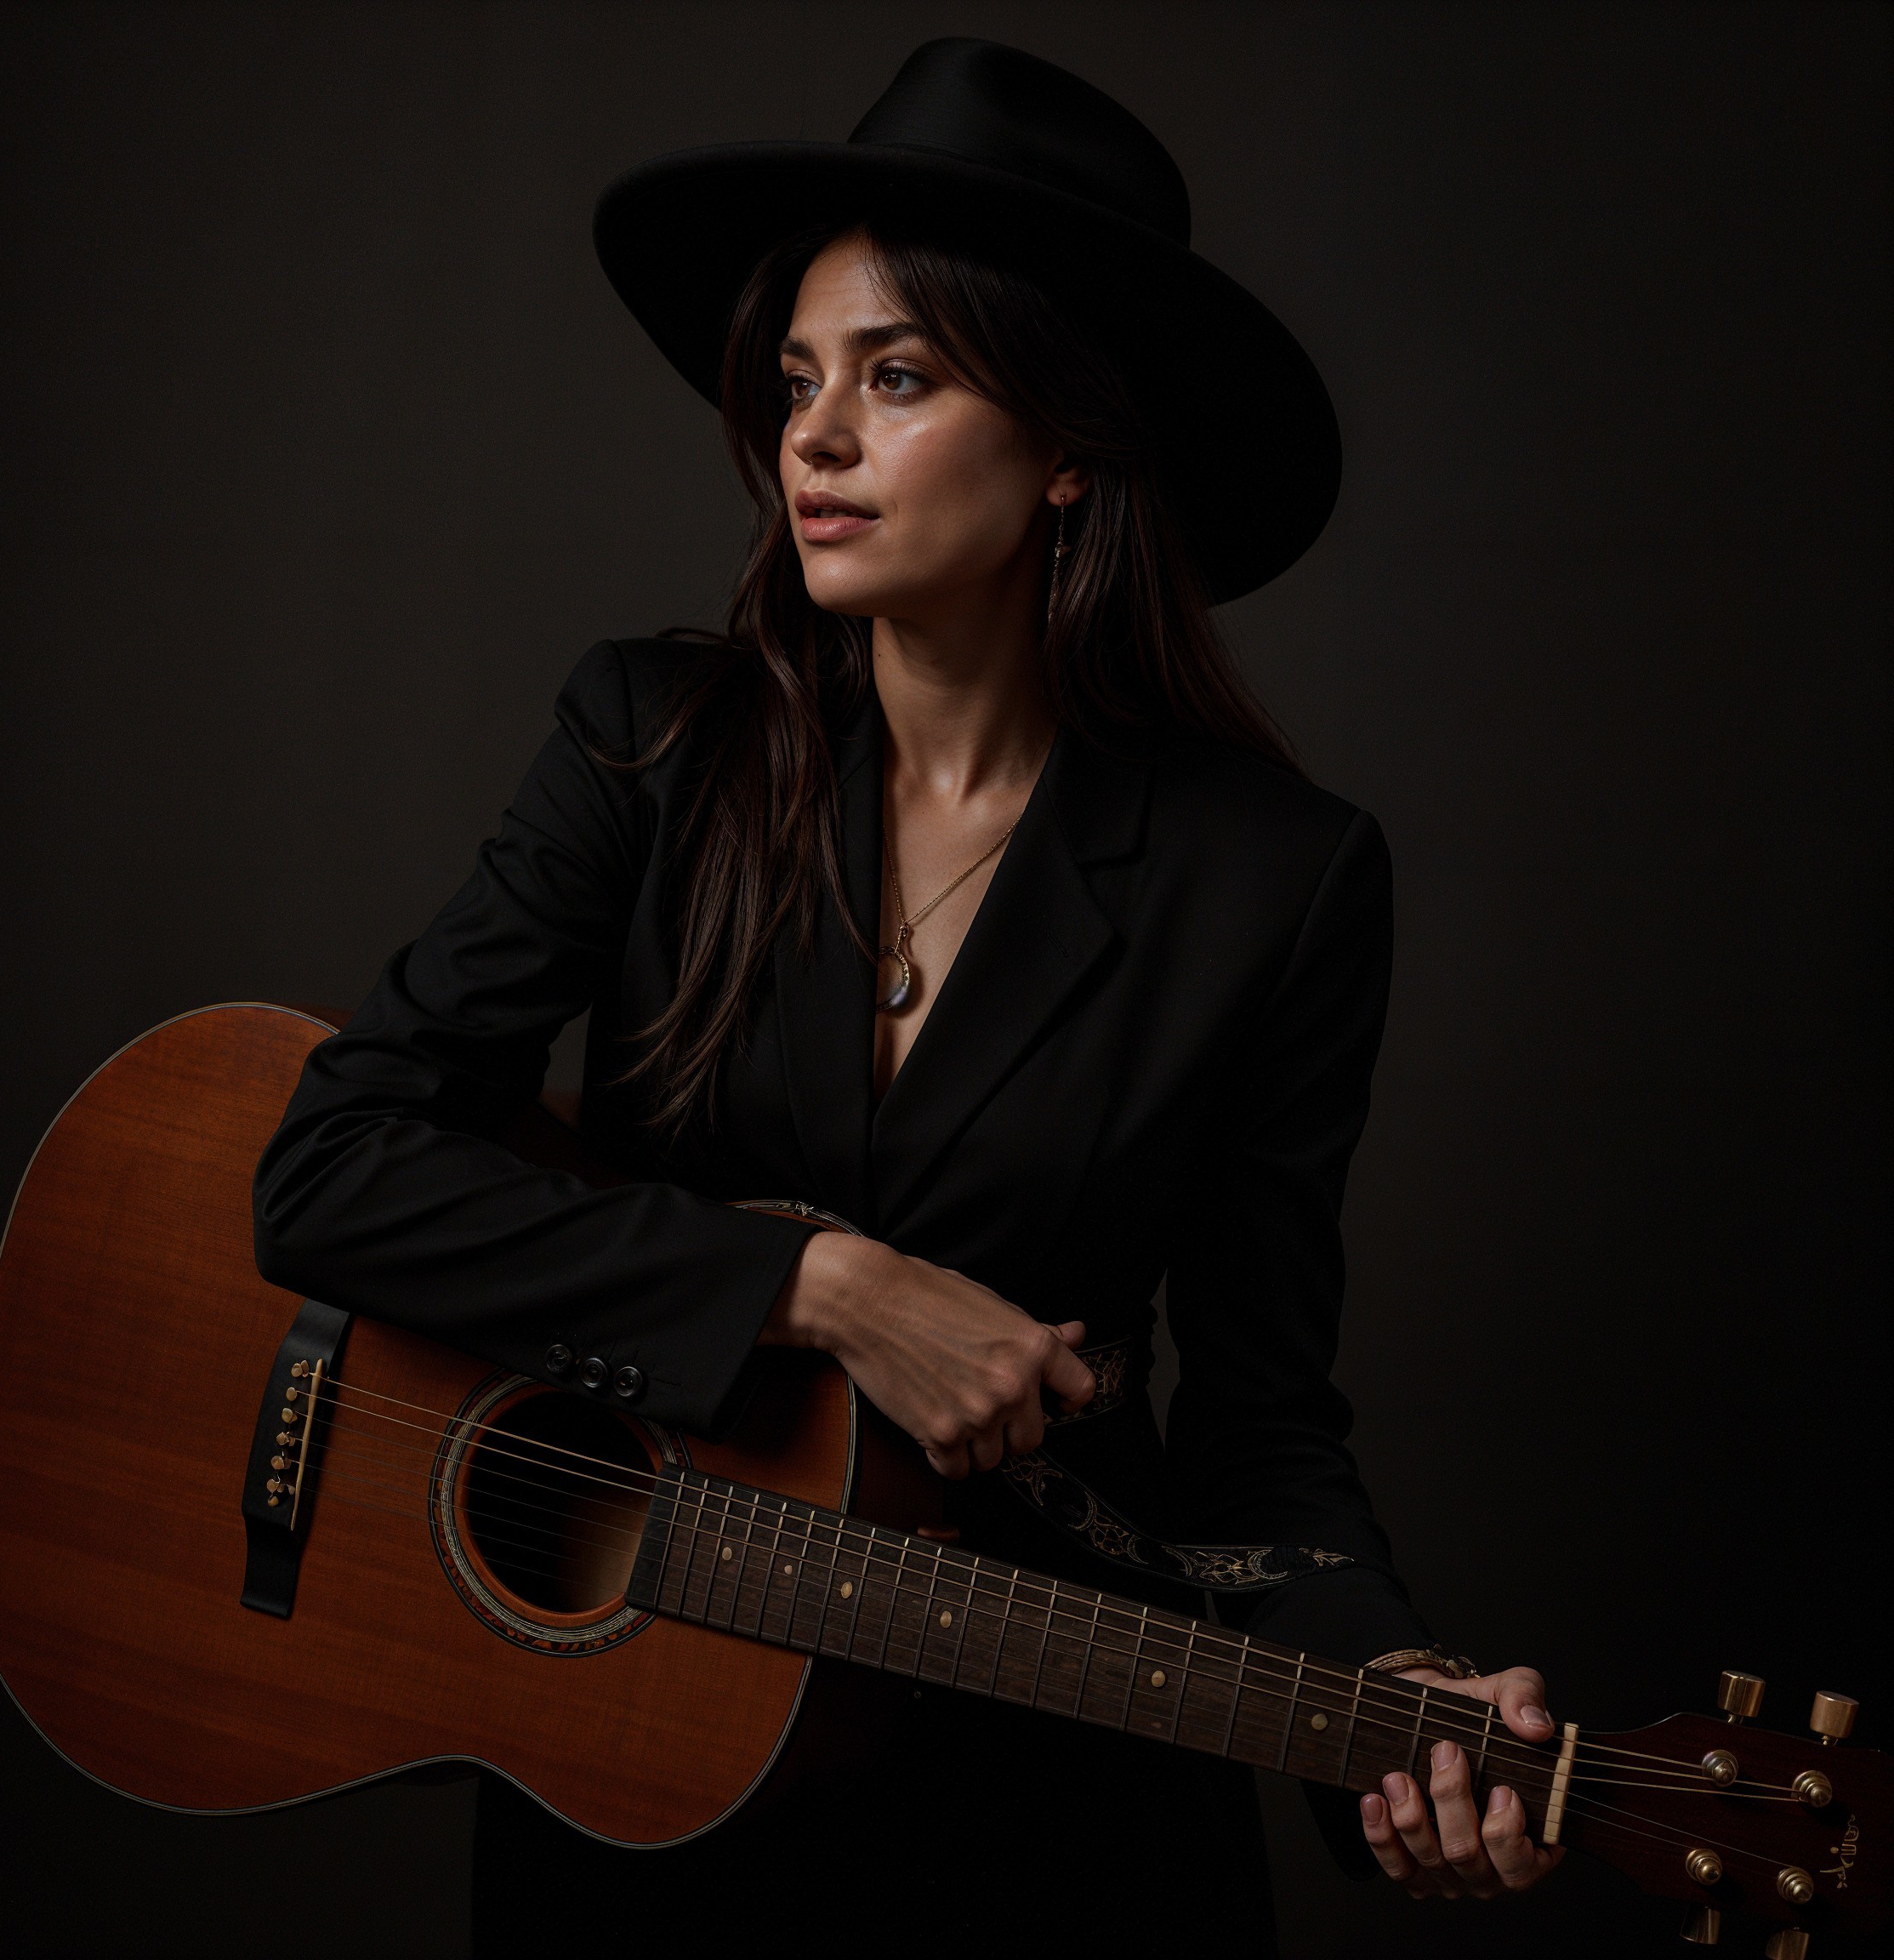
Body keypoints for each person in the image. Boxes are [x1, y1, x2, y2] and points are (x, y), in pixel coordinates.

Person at [254, 37, 1560, 1953]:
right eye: (798, 381)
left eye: (899, 376)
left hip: (1045, 1810)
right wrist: (821, 1285)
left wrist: (1392, 1691)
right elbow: (331, 1169)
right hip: (639, 1778)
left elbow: (1259, 1429)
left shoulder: (1276, 882)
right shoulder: (651, 748)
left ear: (1071, 448)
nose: (815, 440)